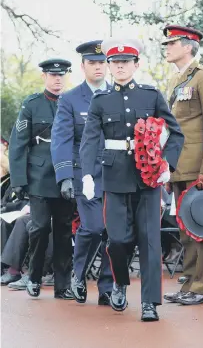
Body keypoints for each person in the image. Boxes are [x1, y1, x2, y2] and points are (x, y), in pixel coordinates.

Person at [79, 38, 184, 321]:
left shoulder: (151, 95)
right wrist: (87, 173)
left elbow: (176, 133)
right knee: (117, 240)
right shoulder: (101, 99)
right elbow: (89, 139)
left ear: (136, 65)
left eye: (126, 61)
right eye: (115, 62)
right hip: (114, 178)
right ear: (110, 67)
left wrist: (168, 164)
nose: (120, 66)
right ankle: (120, 283)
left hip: (148, 179)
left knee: (150, 240)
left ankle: (149, 303)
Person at [162, 25, 203, 305]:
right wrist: (166, 167)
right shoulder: (175, 81)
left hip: (201, 168)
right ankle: (188, 283)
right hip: (180, 167)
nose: (167, 47)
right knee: (187, 229)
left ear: (188, 46)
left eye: (172, 43)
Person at [51, 41, 113, 306]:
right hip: (84, 175)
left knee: (115, 231)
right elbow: (61, 139)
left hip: (115, 174)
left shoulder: (119, 95)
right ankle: (79, 274)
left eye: (102, 62)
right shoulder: (70, 99)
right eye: (92, 63)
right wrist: (64, 175)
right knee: (94, 227)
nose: (97, 67)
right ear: (83, 66)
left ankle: (108, 287)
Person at [8, 59, 75, 299]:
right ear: (44, 77)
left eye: (61, 75)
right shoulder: (32, 104)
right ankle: (34, 277)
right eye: (52, 75)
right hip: (38, 176)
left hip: (66, 176)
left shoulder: (72, 102)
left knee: (64, 231)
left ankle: (62, 285)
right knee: (40, 228)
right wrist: (18, 179)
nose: (57, 79)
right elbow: (18, 144)